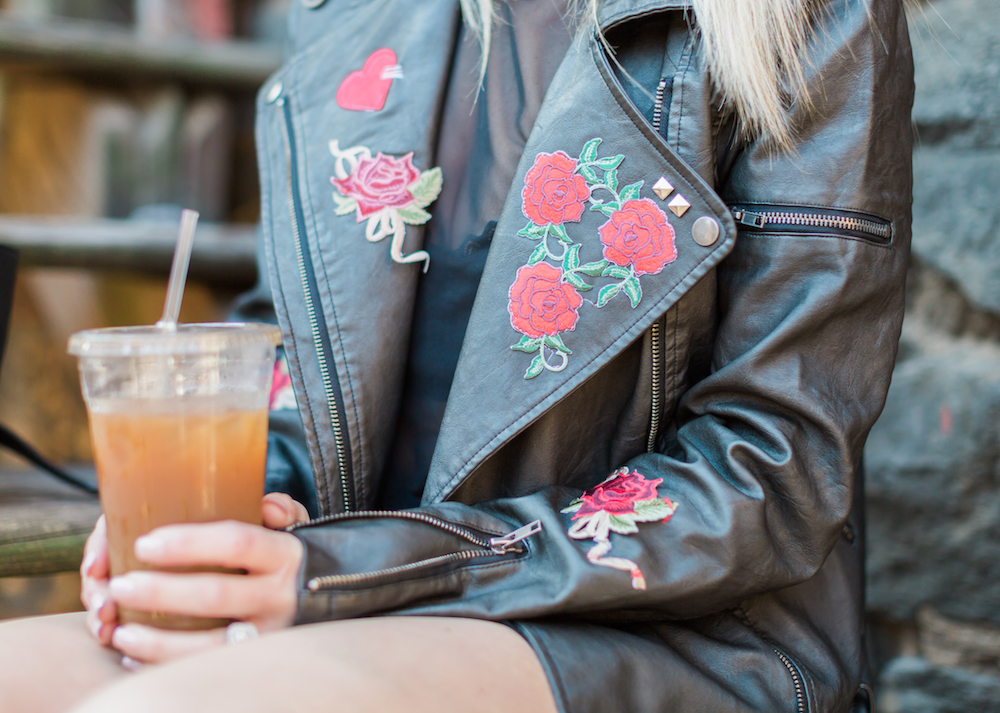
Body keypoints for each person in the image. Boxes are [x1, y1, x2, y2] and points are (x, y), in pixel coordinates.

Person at [0, 0, 914, 710]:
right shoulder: (359, 16)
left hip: (683, 637)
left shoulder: (804, 18)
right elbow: (296, 351)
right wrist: (233, 517)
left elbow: (772, 470)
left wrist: (344, 572)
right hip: (347, 587)